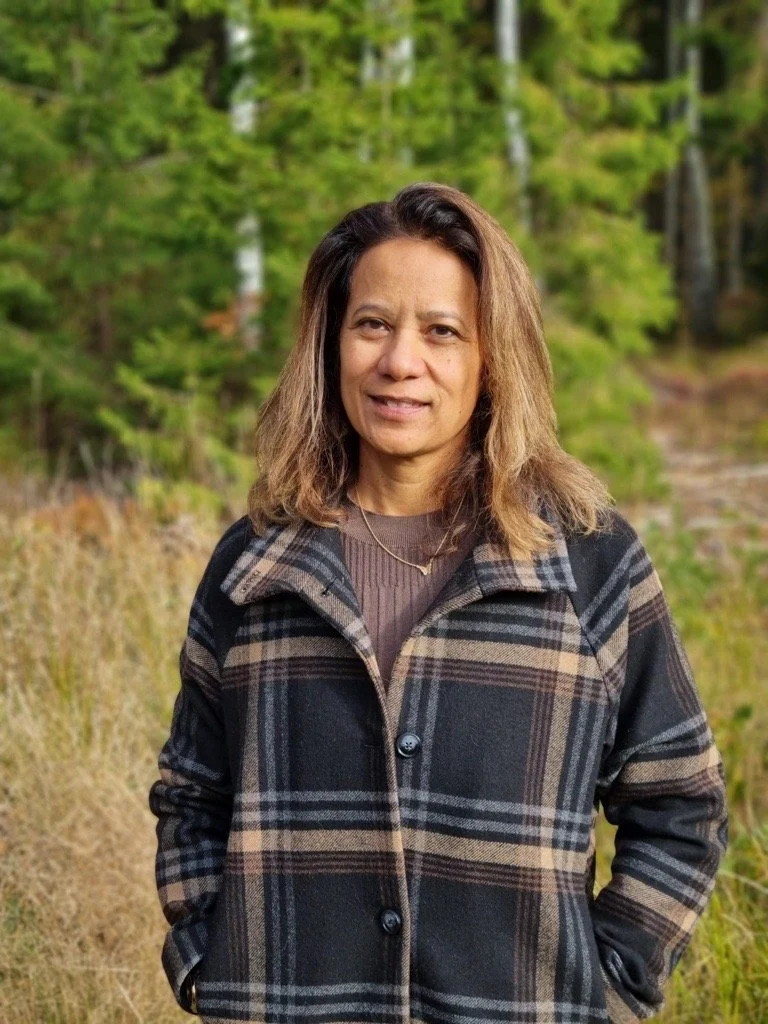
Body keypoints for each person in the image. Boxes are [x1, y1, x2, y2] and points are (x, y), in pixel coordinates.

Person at [148, 181, 727, 1024]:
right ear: (330, 344)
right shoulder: (256, 566)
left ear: (495, 357)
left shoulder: (589, 564)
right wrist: (208, 961)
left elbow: (679, 803)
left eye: (443, 332)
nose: (399, 363)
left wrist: (605, 990)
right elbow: (192, 794)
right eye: (372, 324)